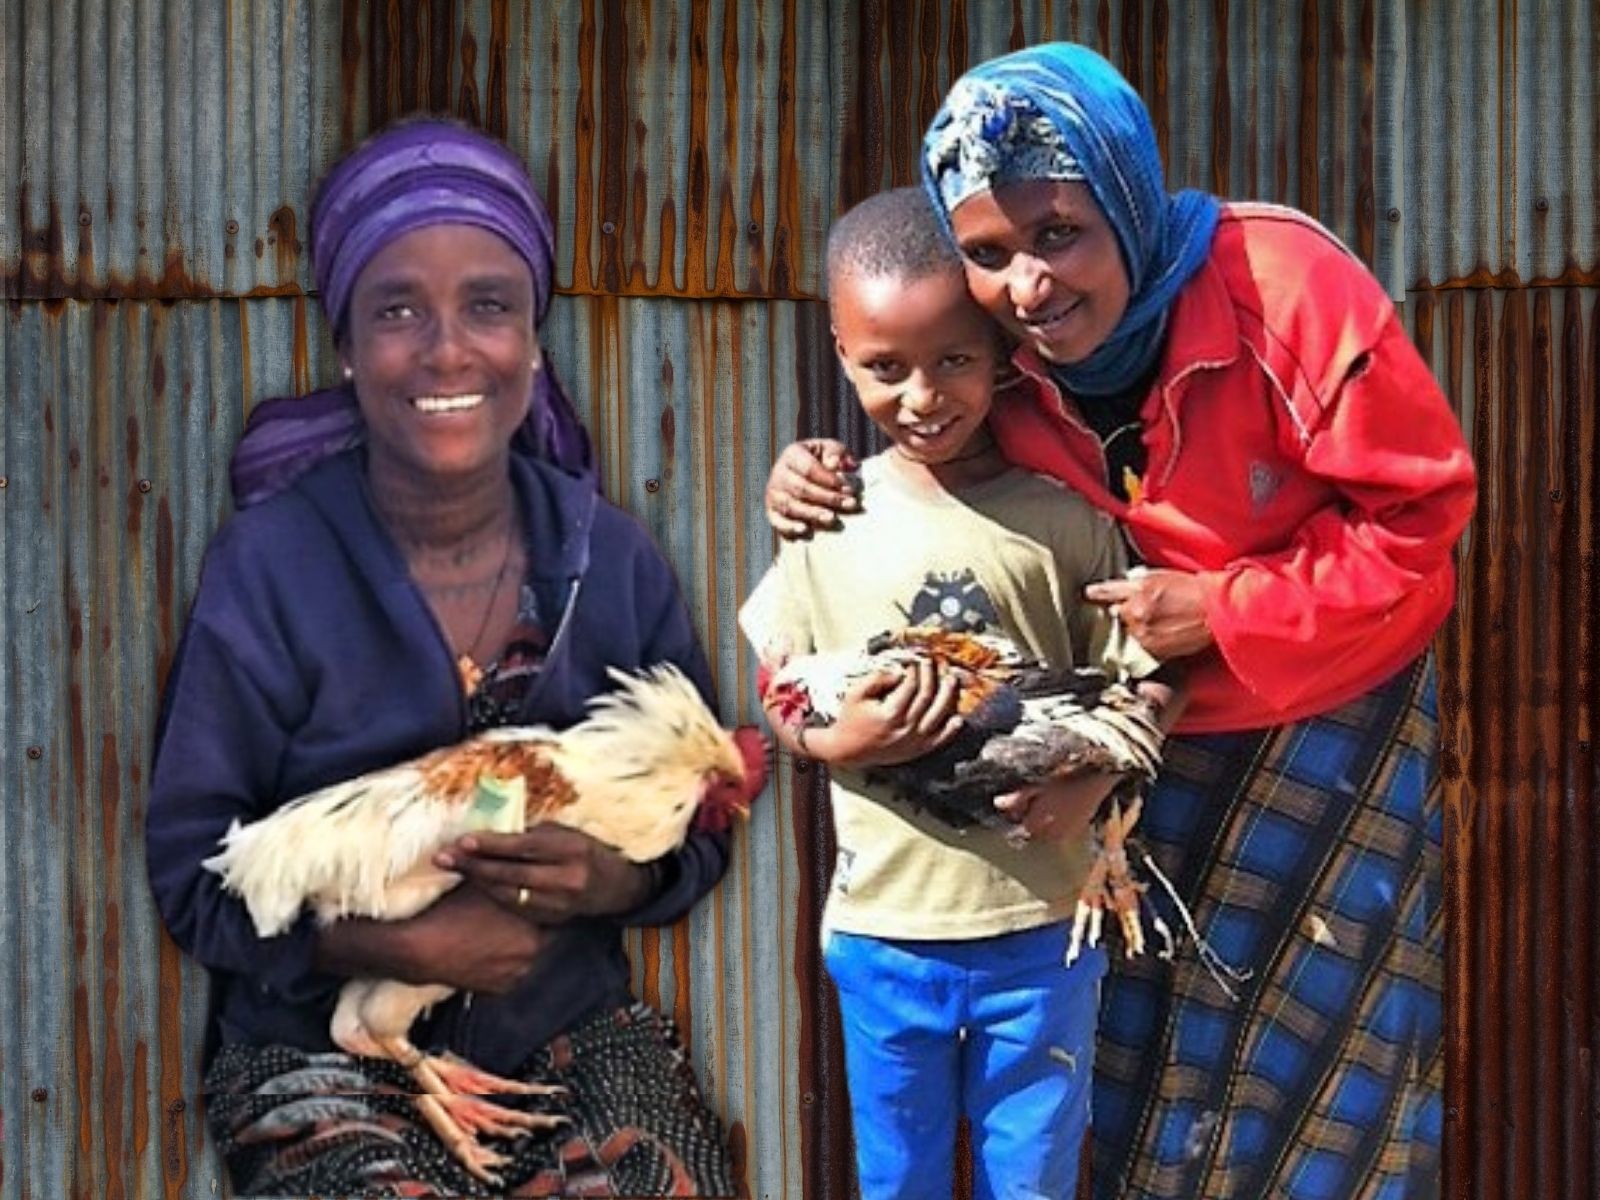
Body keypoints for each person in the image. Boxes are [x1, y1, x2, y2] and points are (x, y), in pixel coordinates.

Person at [764, 44, 1476, 1200]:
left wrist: (1226, 604)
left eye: (1059, 233)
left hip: (1328, 721)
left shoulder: (1282, 286)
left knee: (1324, 1066)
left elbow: (1420, 516)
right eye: (987, 254)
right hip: (1137, 739)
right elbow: (927, 453)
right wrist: (810, 472)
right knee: (1157, 1072)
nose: (1027, 285)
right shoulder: (1004, 359)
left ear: (1126, 198)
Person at [145, 118, 740, 1198]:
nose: (448, 350)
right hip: (313, 1045)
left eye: (489, 306)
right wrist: (404, 948)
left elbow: (701, 825)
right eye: (397, 310)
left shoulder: (608, 560)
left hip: (564, 1031)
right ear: (345, 344)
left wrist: (615, 879)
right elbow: (194, 875)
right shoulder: (273, 566)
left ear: (532, 339)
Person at [741, 186, 1183, 1200]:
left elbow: (1148, 680)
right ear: (843, 354)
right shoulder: (826, 516)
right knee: (897, 1176)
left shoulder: (1063, 521)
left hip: (1043, 928)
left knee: (1032, 1177)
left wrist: (1092, 779)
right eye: (886, 367)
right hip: (883, 931)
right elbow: (779, 684)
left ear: (1001, 353)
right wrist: (830, 741)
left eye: (953, 361)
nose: (922, 396)